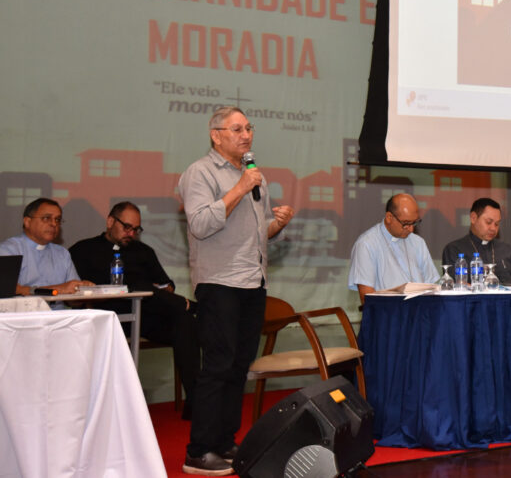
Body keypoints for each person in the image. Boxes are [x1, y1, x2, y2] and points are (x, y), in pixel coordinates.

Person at [178, 106, 294, 476]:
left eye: (249, 128)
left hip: (252, 281)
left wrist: (276, 224)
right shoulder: (200, 173)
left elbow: (256, 234)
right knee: (218, 365)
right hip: (219, 282)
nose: (246, 135)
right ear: (216, 135)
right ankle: (198, 451)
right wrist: (240, 188)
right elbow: (200, 224)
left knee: (238, 366)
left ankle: (224, 441)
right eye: (237, 129)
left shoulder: (254, 175)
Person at [69, 201, 200, 419]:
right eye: (126, 227)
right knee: (139, 288)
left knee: (184, 321)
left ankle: (196, 401)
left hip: (147, 316)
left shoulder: (144, 251)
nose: (131, 233)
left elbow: (165, 285)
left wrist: (165, 290)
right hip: (108, 319)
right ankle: (191, 305)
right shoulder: (83, 250)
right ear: (111, 221)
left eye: (136, 229)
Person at [348, 193, 439, 302]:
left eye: (414, 223)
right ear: (389, 217)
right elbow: (367, 299)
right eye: (406, 223)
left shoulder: (418, 242)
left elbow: (432, 286)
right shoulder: (366, 244)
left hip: (420, 312)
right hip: (388, 315)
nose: (411, 229)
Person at [0, 197, 93, 297]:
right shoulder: (8, 250)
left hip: (60, 312)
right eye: (46, 218)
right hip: (24, 312)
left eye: (57, 220)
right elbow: (6, 289)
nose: (54, 224)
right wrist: (59, 289)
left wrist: (83, 290)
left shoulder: (62, 253)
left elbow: (72, 300)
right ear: (27, 222)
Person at [442, 197, 511, 285]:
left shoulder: (507, 249)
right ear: (473, 218)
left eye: (497, 224)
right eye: (488, 222)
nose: (493, 228)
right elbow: (457, 284)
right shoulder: (454, 249)